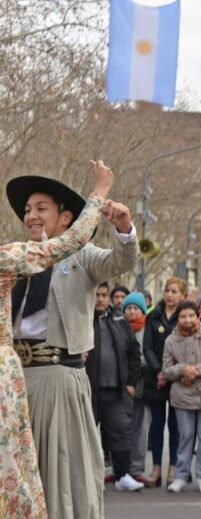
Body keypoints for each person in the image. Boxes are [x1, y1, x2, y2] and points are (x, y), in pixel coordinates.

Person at [9, 162, 136, 519]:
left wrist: (124, 228)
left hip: (59, 378)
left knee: (62, 468)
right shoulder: (17, 258)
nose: (31, 216)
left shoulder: (81, 256)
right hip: (15, 382)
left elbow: (121, 260)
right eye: (27, 210)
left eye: (41, 208)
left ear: (66, 218)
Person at [86, 282, 143, 492]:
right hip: (88, 391)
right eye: (96, 294)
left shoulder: (119, 320)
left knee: (120, 435)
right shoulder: (82, 318)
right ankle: (91, 478)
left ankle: (122, 476)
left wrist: (131, 383)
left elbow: (134, 352)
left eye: (103, 295)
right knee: (87, 435)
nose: (100, 299)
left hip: (117, 390)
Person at [162, 300, 201, 493]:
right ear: (178, 319)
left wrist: (196, 370)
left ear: (197, 316)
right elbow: (166, 370)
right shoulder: (170, 341)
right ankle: (181, 476)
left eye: (191, 315)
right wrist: (182, 369)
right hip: (181, 395)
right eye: (182, 316)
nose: (187, 319)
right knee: (185, 436)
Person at [142, 277, 186, 487]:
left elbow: (187, 348)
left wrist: (171, 373)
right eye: (167, 290)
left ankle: (174, 468)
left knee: (176, 425)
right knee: (157, 424)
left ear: (183, 296)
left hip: (178, 380)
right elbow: (147, 347)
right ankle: (156, 467)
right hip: (156, 379)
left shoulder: (186, 317)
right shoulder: (154, 316)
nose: (169, 295)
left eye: (174, 291)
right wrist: (158, 371)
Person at [121, 291, 152, 483]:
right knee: (121, 429)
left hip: (142, 386)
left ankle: (137, 468)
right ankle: (120, 468)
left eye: (135, 308)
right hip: (121, 385)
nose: (132, 312)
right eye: (128, 308)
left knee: (140, 428)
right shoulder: (119, 327)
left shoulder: (148, 329)